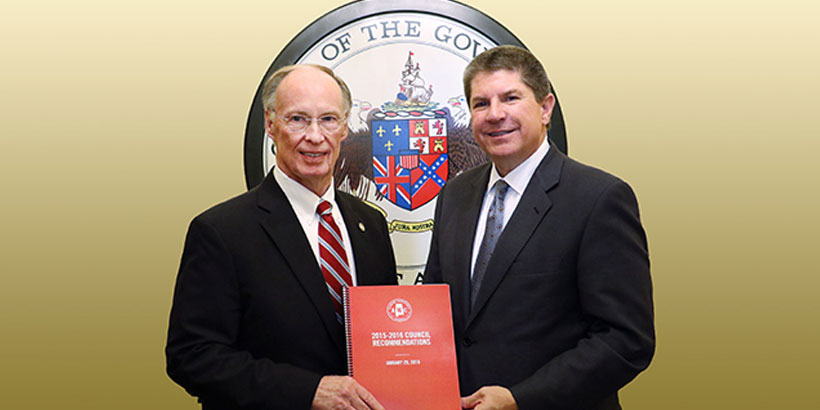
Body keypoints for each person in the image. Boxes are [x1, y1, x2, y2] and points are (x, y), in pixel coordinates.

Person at [423, 45, 655, 410]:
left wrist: (520, 399)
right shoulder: (455, 195)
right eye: (481, 103)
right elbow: (438, 309)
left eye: (510, 98)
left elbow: (626, 339)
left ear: (545, 108)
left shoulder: (599, 198)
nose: (495, 114)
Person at [166, 64, 397, 410]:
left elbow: (387, 339)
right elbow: (193, 356)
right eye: (298, 119)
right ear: (271, 125)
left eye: (329, 120)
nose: (315, 136)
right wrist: (308, 392)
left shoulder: (371, 225)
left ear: (346, 127)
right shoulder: (221, 231)